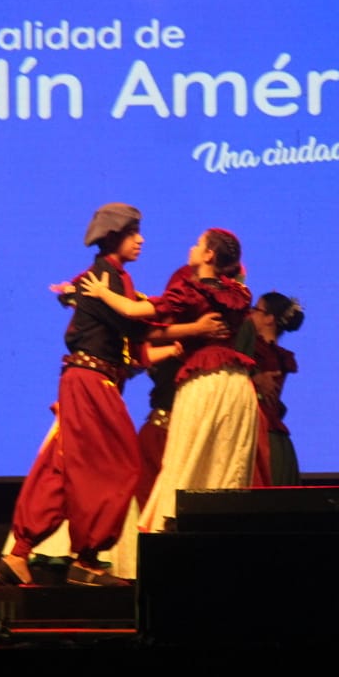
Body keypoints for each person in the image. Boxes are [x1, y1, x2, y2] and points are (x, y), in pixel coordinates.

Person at [0, 203, 180, 588]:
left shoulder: (112, 279)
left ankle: (19, 553)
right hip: (90, 381)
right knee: (119, 463)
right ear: (114, 238)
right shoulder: (101, 280)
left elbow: (133, 344)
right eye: (133, 234)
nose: (141, 240)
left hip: (92, 381)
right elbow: (136, 327)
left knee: (64, 467)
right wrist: (192, 327)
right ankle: (87, 559)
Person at [78, 228, 258, 537]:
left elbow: (135, 312)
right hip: (238, 386)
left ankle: (171, 534)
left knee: (186, 458)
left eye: (197, 243)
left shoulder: (190, 290)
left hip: (204, 382)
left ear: (208, 255)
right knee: (227, 464)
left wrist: (102, 292)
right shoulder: (238, 294)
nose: (191, 247)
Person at [236, 291, 305, 486]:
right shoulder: (273, 354)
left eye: (256, 310)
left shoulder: (267, 353)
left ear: (269, 319)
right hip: (270, 434)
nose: (250, 314)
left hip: (262, 435)